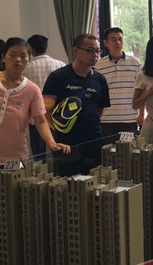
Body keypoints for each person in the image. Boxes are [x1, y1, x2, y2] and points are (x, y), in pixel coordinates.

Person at [0, 37, 70, 173]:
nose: (18, 59)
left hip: (16, 158)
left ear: (28, 60)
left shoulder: (32, 90)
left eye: (23, 56)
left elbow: (40, 120)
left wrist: (51, 142)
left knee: (13, 185)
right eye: (13, 55)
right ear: (3, 57)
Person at [43, 34, 110, 177]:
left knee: (95, 180)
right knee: (68, 182)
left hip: (93, 140)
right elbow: (46, 110)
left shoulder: (100, 79)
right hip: (67, 143)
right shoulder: (58, 76)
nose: (95, 55)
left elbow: (99, 109)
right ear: (75, 50)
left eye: (97, 51)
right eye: (90, 50)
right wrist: (58, 131)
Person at [96, 27, 144, 141]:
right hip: (106, 120)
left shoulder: (135, 63)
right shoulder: (98, 65)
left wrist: (141, 114)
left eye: (120, 39)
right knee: (108, 150)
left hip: (129, 119)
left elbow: (141, 90)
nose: (118, 42)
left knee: (128, 150)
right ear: (106, 43)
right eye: (113, 39)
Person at [24, 34, 66, 158]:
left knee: (38, 155)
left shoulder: (26, 68)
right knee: (58, 151)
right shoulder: (61, 65)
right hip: (56, 116)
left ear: (31, 49)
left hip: (35, 117)